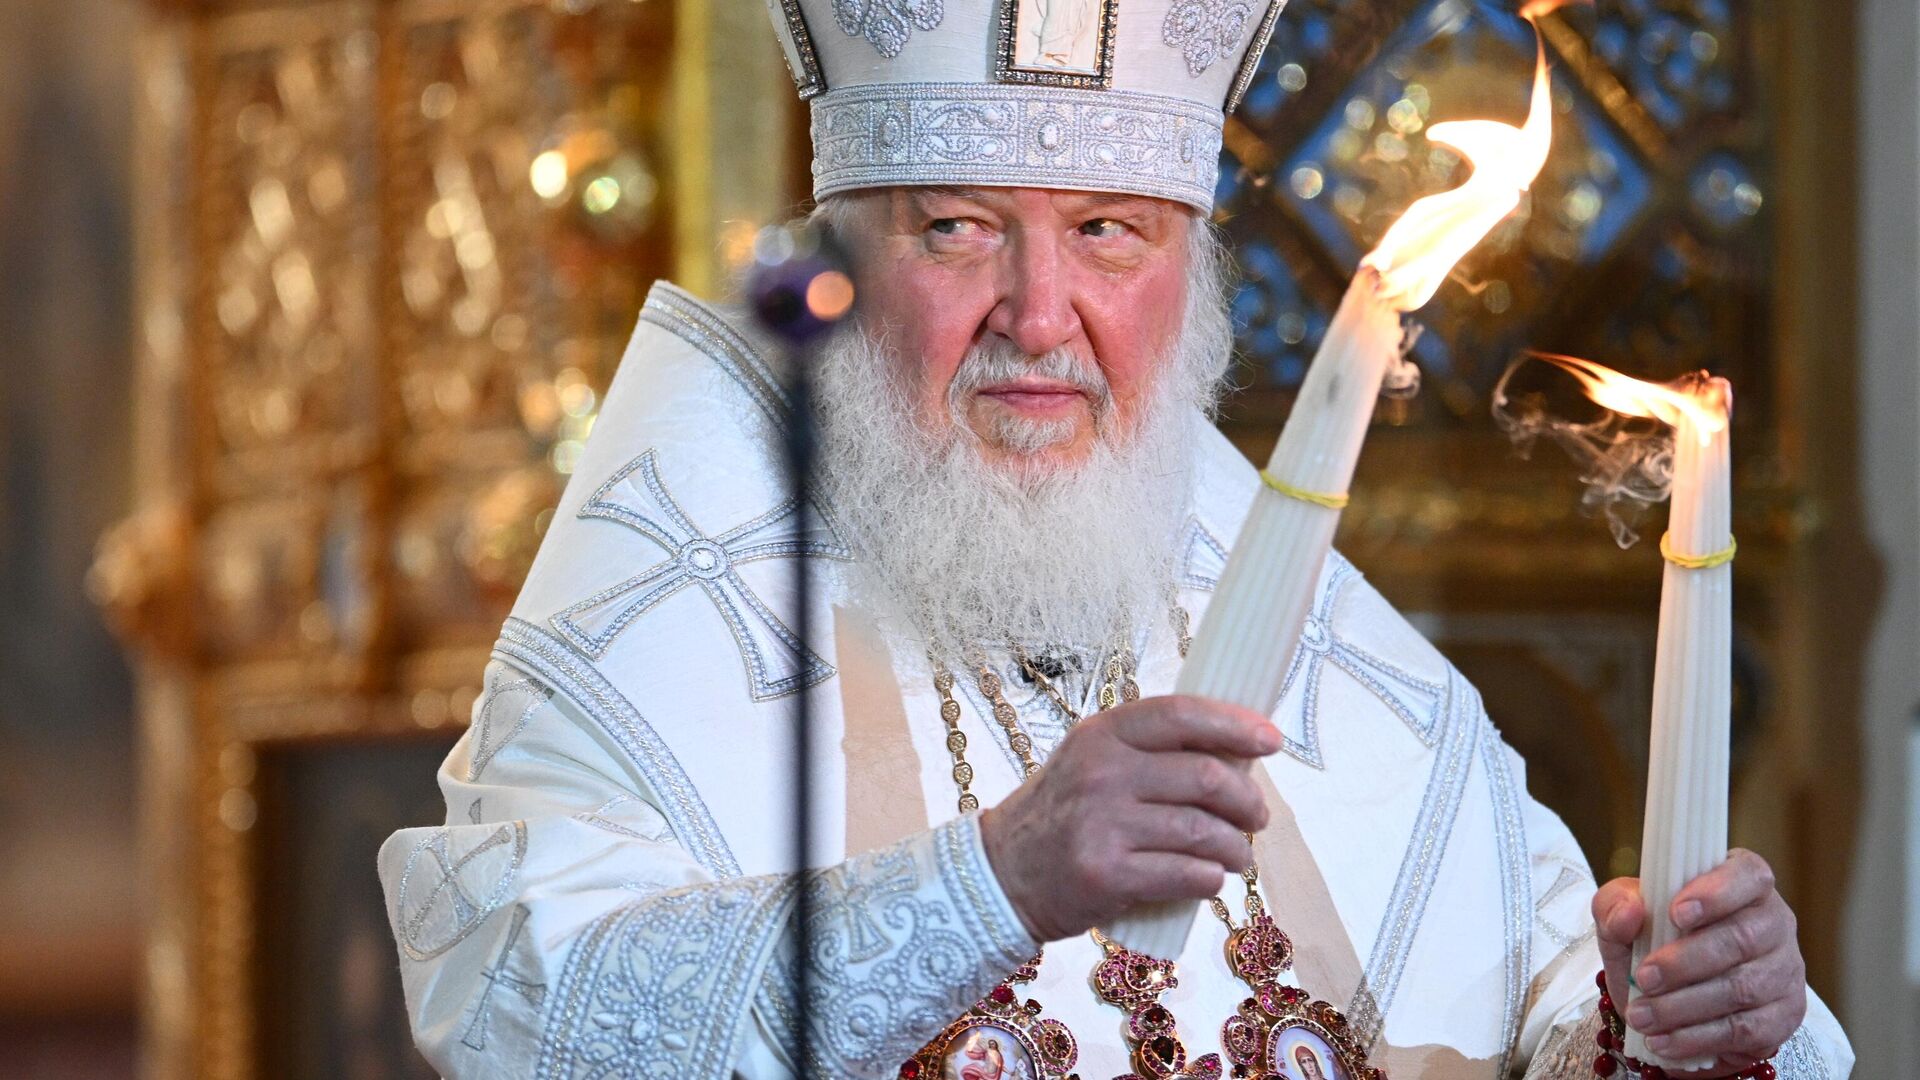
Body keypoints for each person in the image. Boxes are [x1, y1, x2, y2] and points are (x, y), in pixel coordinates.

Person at [376, 1, 1855, 1077]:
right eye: (956, 228)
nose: (1039, 317)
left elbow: (1556, 1008)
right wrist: (996, 882)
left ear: (1191, 280)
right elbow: (521, 1014)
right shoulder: (673, 585)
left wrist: (1691, 1020)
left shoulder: (1315, 636)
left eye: (1106, 233)